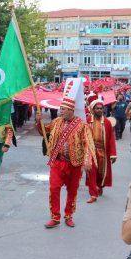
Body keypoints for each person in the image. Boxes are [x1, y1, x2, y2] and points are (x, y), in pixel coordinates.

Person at [34, 95, 95, 228]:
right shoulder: (56, 122)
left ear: (71, 110)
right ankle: (55, 216)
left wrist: (87, 161)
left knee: (72, 191)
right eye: (60, 108)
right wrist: (39, 122)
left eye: (64, 109)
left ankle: (69, 215)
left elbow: (88, 145)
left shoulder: (82, 126)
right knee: (54, 188)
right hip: (57, 162)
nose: (61, 111)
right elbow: (44, 132)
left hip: (74, 164)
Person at [85, 98, 116, 203]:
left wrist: (113, 154)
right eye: (97, 108)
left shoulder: (107, 123)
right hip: (90, 151)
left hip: (103, 151)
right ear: (93, 110)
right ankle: (93, 194)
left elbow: (111, 139)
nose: (99, 110)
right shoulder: (88, 120)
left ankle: (100, 186)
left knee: (102, 173)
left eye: (101, 108)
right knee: (91, 171)